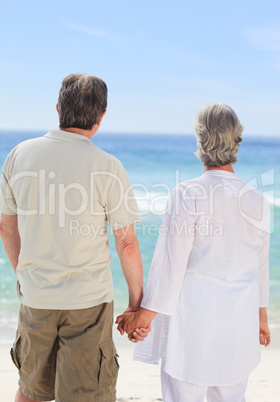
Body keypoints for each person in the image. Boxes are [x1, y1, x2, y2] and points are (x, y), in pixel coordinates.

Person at [0, 73, 148, 402]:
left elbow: (6, 226)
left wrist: (25, 274)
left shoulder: (19, 155)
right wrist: (136, 305)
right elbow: (127, 243)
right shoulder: (108, 166)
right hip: (89, 303)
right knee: (86, 395)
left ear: (57, 108)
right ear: (101, 117)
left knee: (30, 390)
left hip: (37, 296)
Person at [116, 103, 271, 402]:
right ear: (237, 141)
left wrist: (143, 316)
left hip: (193, 326)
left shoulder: (187, 193)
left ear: (200, 142)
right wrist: (260, 318)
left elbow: (170, 266)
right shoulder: (258, 200)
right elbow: (259, 267)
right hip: (238, 325)